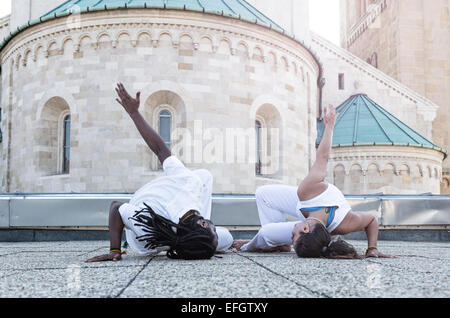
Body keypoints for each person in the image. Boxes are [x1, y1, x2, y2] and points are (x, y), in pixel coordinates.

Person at [86, 83, 233, 262]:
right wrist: (133, 112)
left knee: (203, 180)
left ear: (203, 223)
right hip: (173, 227)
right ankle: (196, 242)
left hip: (148, 239)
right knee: (227, 237)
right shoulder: (188, 183)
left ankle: (196, 242)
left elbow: (116, 207)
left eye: (212, 230)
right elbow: (159, 150)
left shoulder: (146, 222)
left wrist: (115, 250)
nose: (215, 229)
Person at [233, 104, 396, 259]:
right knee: (263, 194)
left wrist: (249, 245)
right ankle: (279, 245)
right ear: (304, 228)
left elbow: (372, 220)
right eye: (293, 237)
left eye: (292, 240)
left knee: (266, 233)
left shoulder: (318, 223)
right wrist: (330, 126)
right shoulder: (315, 196)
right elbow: (371, 219)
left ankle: (270, 243)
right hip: (311, 202)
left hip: (313, 215)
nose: (292, 236)